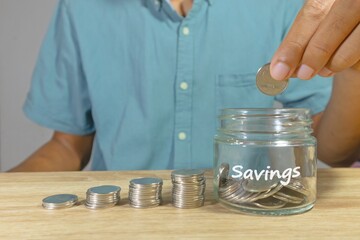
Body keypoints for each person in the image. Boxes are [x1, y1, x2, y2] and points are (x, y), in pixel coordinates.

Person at [10, 0, 360, 172]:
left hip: (241, 220)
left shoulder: (284, 5)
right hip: (117, 224)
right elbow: (68, 147)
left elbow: (330, 153)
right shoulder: (82, 7)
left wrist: (354, 72)